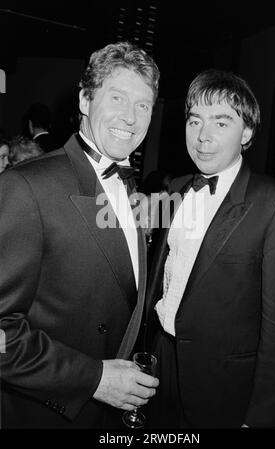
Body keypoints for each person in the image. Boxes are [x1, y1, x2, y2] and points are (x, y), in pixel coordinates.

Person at [0, 41, 159, 428]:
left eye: (143, 105)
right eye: (117, 97)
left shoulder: (132, 190)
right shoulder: (25, 187)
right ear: (85, 100)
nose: (131, 117)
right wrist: (94, 378)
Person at [145, 69, 275, 428]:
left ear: (246, 132)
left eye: (221, 122)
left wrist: (262, 419)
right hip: (160, 361)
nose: (203, 137)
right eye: (195, 120)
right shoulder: (178, 188)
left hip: (223, 387)